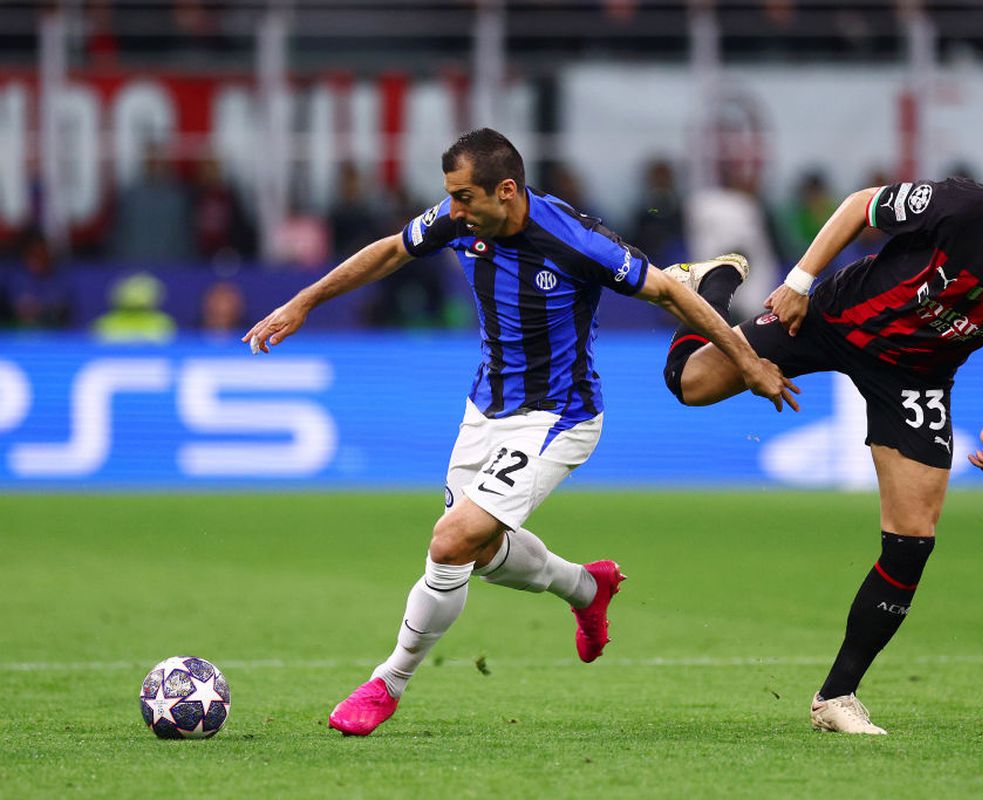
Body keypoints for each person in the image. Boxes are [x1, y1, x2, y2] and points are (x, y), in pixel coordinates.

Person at [242, 128, 797, 737]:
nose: (452, 212)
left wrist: (746, 362)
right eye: (449, 197)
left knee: (452, 542)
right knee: (475, 553)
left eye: (463, 198)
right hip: (485, 408)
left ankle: (387, 682)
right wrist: (304, 301)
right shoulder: (462, 220)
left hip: (559, 416)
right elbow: (391, 250)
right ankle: (587, 588)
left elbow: (665, 290)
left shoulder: (573, 240)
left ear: (506, 191)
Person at [662, 157, 983, 734]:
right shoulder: (962, 206)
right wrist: (797, 283)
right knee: (689, 384)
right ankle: (709, 284)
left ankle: (836, 697)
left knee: (913, 541)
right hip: (832, 317)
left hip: (915, 377)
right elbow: (860, 204)